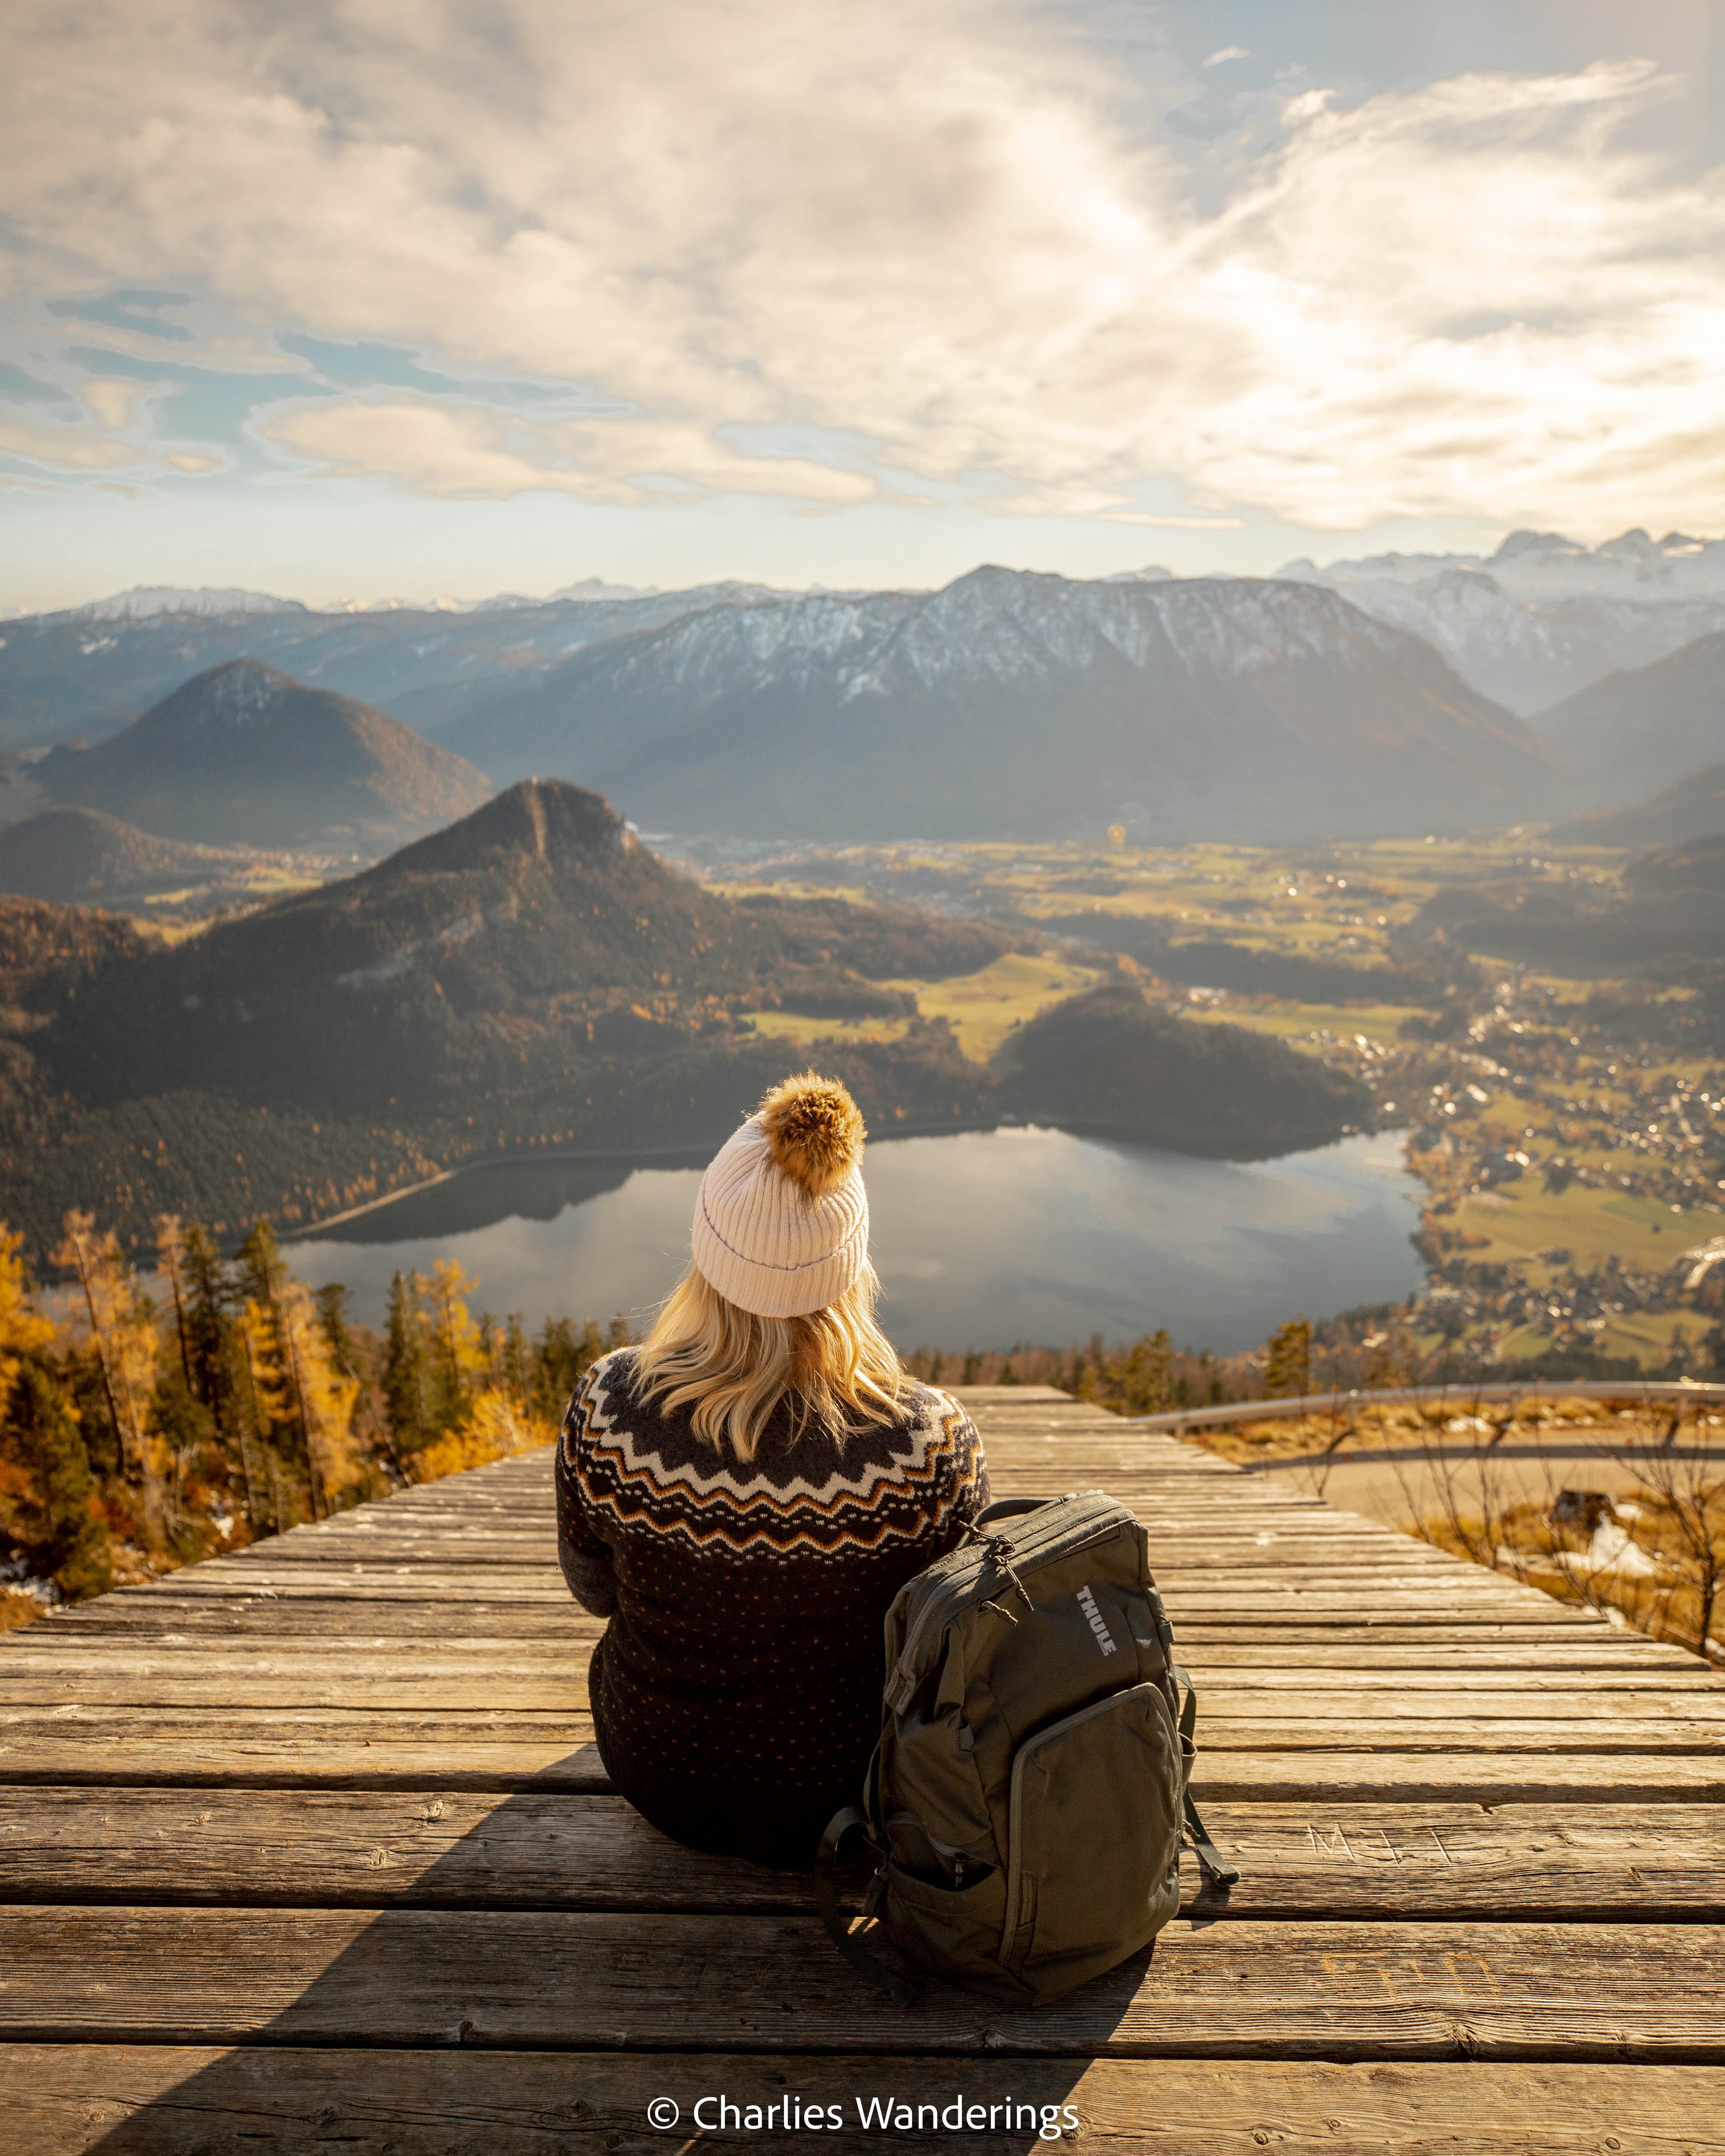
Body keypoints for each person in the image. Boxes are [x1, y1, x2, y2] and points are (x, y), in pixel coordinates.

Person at [555, 1071, 990, 1868]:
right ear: (853, 1265)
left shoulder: (610, 1410)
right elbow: (949, 1647)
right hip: (857, 1791)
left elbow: (593, 1594)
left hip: (659, 1775)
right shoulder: (930, 1443)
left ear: (706, 1251)